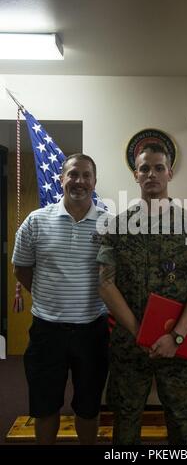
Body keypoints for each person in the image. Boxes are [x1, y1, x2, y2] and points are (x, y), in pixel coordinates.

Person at [97, 142, 187, 445]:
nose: (152, 173)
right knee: (125, 421)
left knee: (181, 420)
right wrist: (141, 334)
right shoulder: (116, 225)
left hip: (179, 343)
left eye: (158, 167)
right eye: (145, 168)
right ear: (136, 175)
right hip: (130, 343)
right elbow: (105, 284)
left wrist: (175, 336)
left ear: (169, 173)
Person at [12, 154, 109, 445]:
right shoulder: (36, 221)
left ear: (94, 181)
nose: (79, 181)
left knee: (89, 408)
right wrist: (49, 298)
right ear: (61, 178)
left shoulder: (109, 225)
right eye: (73, 174)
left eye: (86, 175)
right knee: (45, 407)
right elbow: (21, 269)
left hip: (92, 331)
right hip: (47, 332)